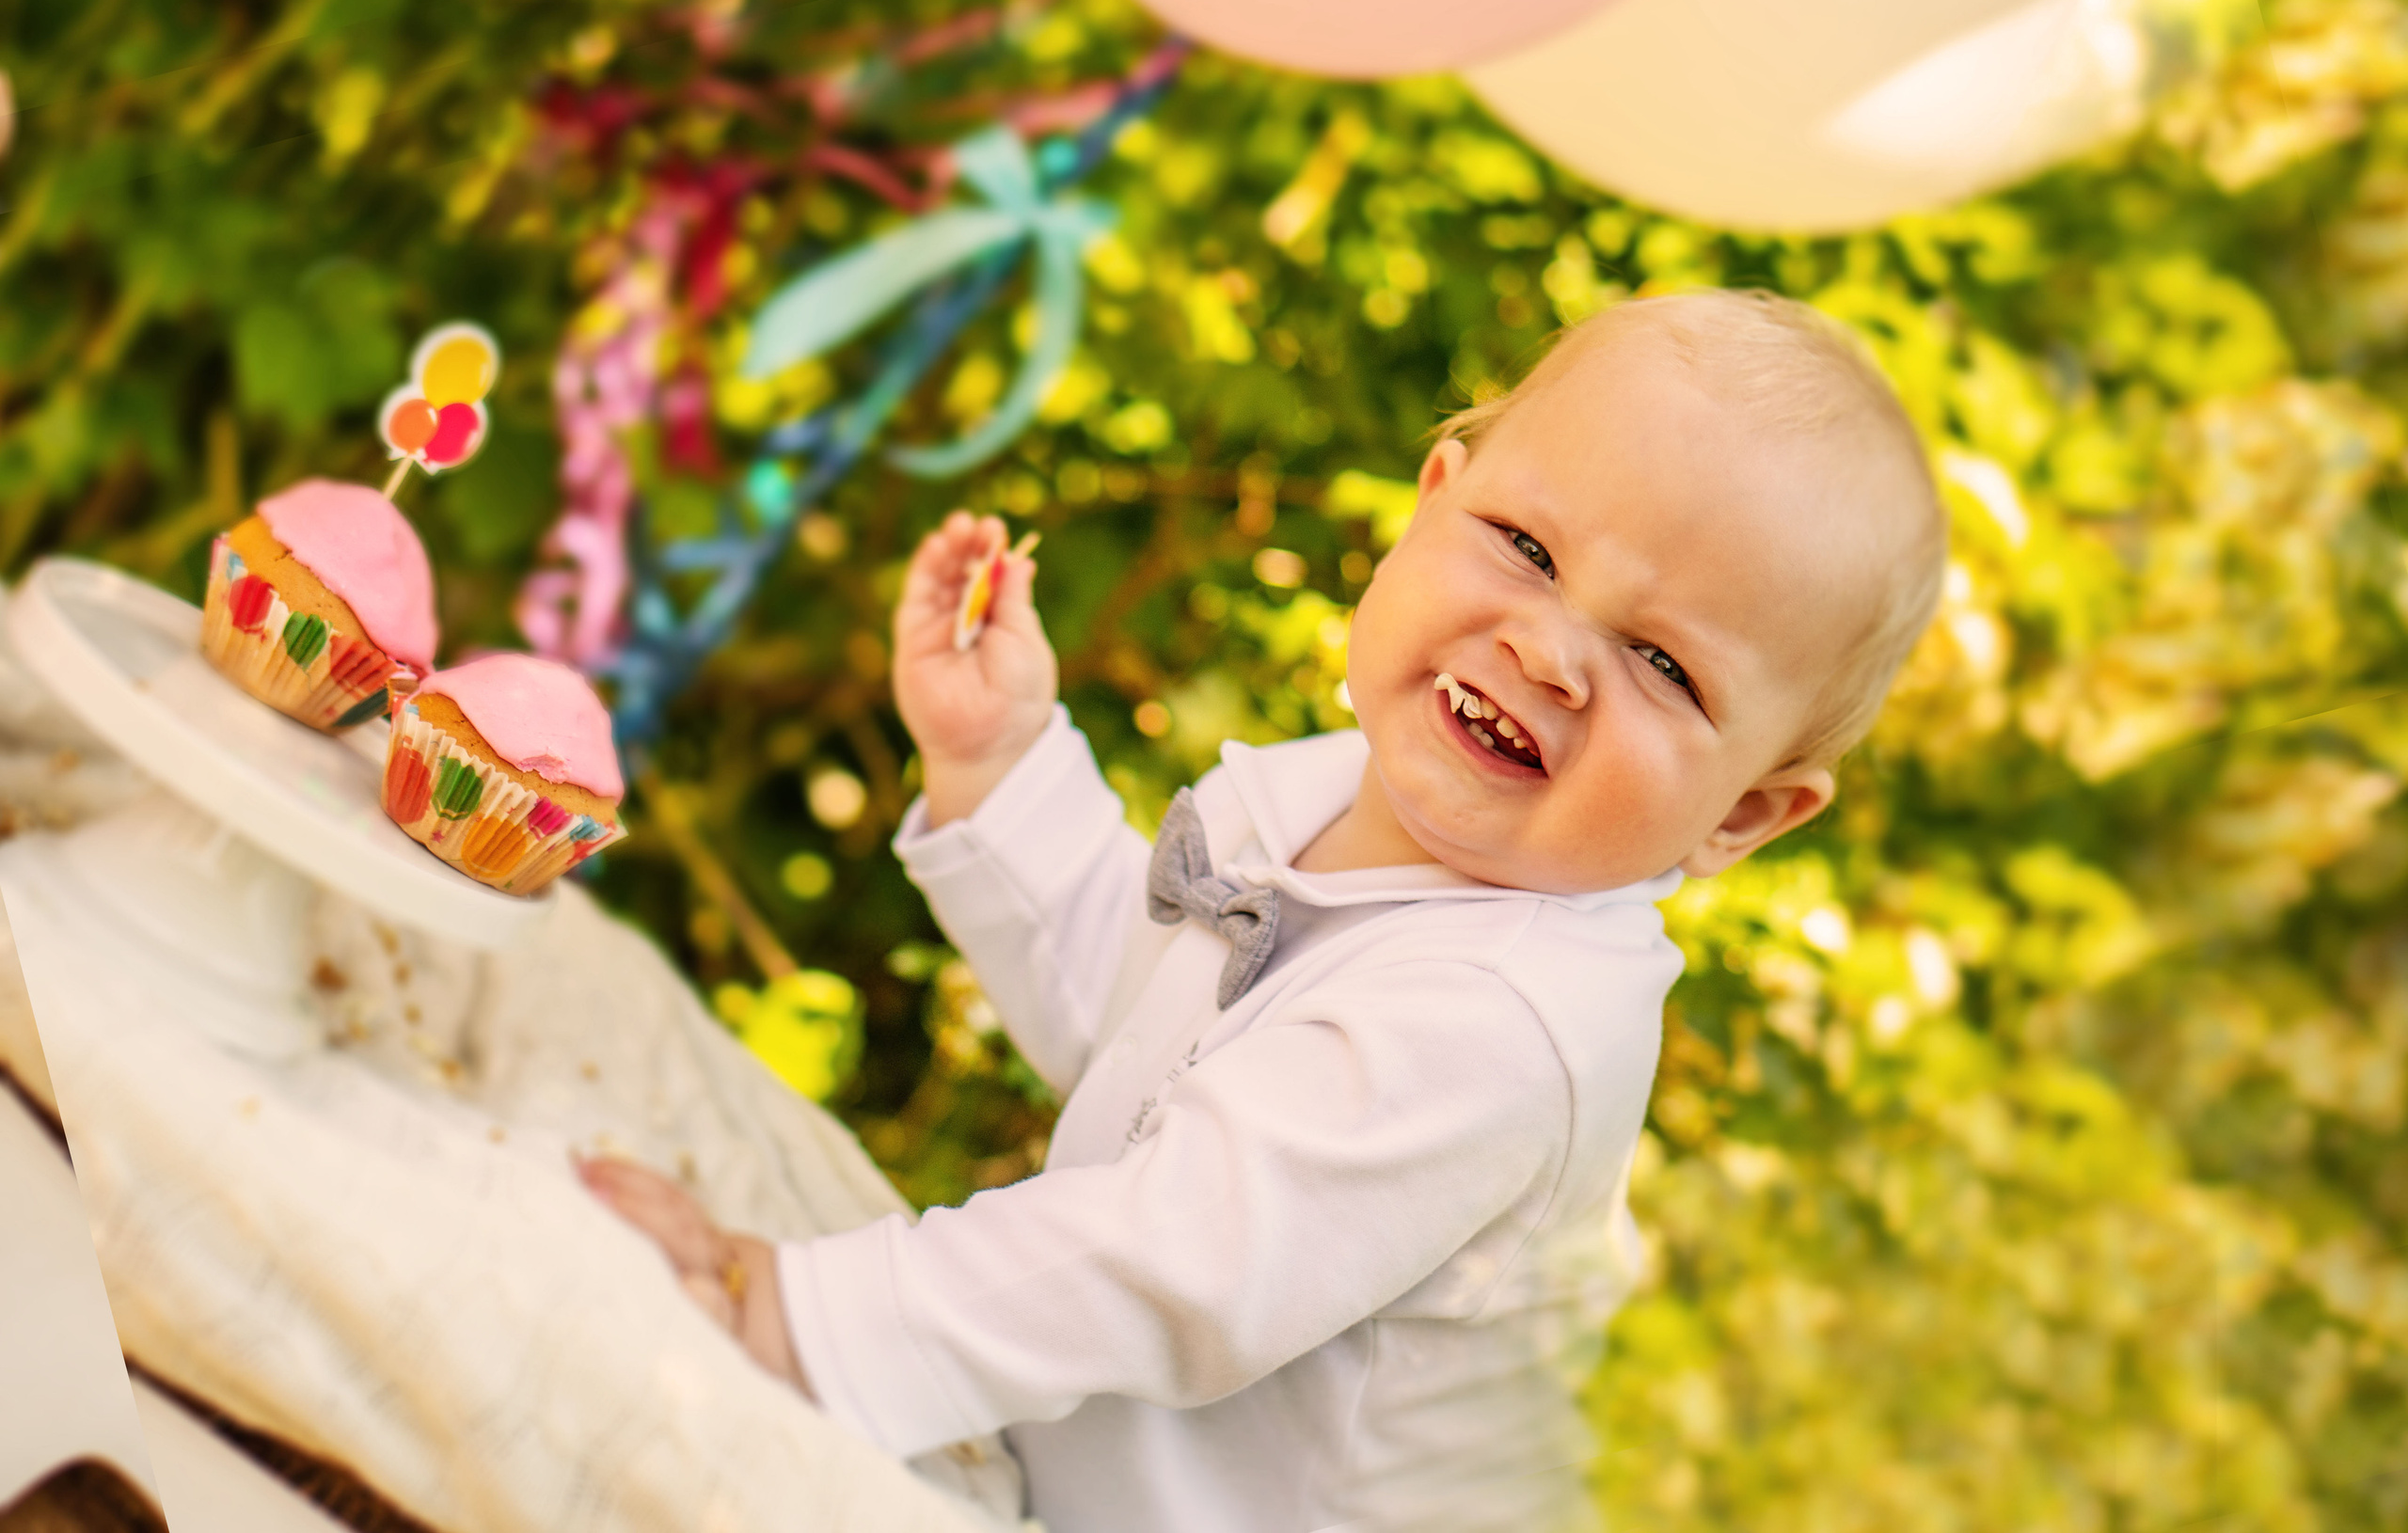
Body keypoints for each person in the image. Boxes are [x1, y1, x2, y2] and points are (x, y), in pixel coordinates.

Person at [579, 288, 1949, 1532]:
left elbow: (1169, 1254)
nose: (1548, 650)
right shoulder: (1330, 811)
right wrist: (1000, 768)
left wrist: (802, 1316)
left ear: (1745, 815)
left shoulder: (1504, 1022)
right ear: (1428, 503)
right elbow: (1134, 1049)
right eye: (1528, 548)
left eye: (1661, 663)